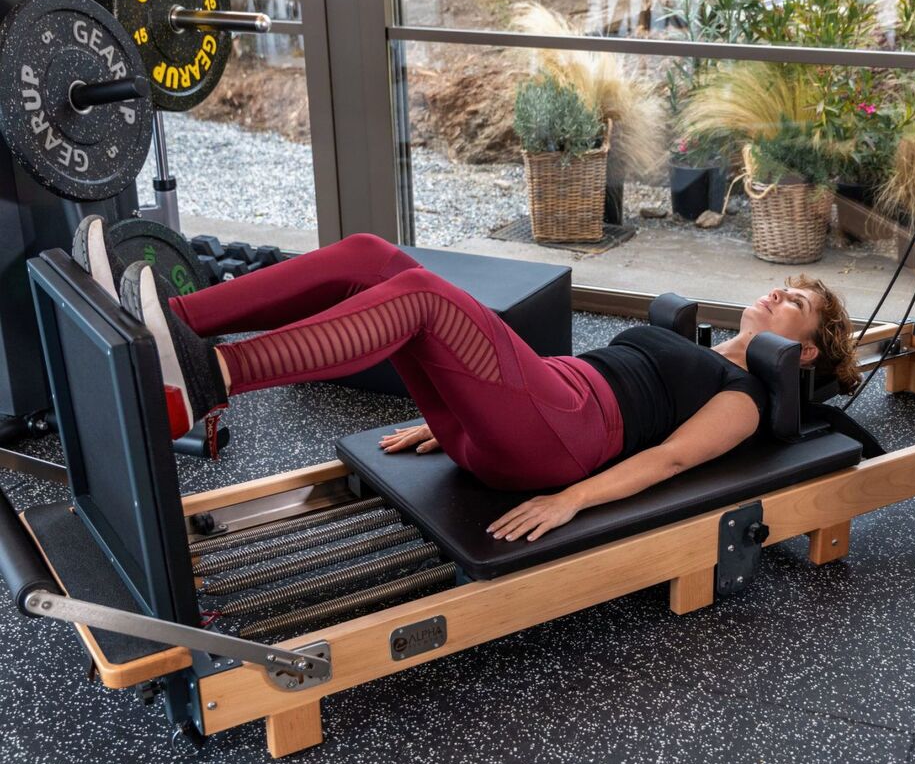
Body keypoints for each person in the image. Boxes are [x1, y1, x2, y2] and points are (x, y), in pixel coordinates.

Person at [73, 217, 859, 544]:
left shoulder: (743, 400)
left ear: (807, 353)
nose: (777, 292)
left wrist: (572, 501)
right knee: (371, 257)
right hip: (522, 410)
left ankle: (205, 379)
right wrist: (460, 412)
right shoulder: (703, 347)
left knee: (420, 297)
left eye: (795, 302)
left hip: (557, 437)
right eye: (784, 286)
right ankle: (177, 320)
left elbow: (670, 461)